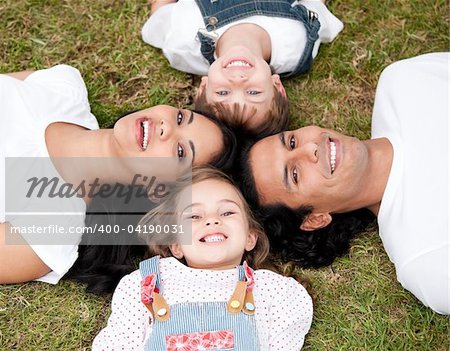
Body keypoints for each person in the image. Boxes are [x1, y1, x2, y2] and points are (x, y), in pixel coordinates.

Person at [240, 53, 449, 314]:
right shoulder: (425, 258)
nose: (310, 149)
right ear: (314, 219)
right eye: (295, 174)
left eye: (292, 142)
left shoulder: (404, 84)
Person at [0, 64, 237, 285]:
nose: (166, 127)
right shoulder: (65, 88)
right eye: (180, 118)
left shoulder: (53, 231)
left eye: (180, 151)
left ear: (157, 190)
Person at [93, 167, 313, 350]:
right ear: (176, 245)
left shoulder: (272, 290)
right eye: (194, 216)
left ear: (250, 237)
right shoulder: (146, 284)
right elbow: (117, 343)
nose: (212, 220)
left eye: (227, 212)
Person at [142, 0, 343, 136]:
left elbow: (160, 13)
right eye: (253, 92)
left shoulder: (183, 44)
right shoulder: (298, 45)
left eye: (222, 92)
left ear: (203, 87)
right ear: (277, 86)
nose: (238, 79)